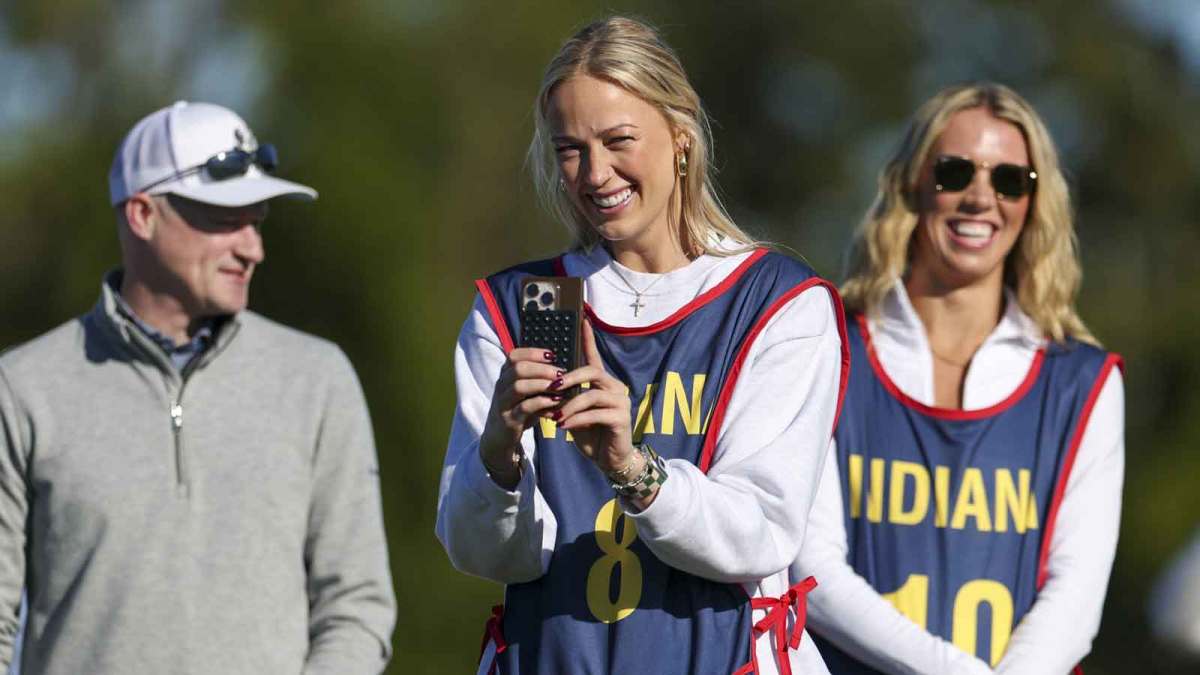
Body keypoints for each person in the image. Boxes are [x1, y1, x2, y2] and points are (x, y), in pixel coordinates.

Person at [436, 16, 848, 675]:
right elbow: (488, 554)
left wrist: (632, 468)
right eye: (569, 148)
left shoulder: (775, 300)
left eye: (618, 140)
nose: (595, 173)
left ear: (680, 137)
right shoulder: (526, 303)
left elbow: (758, 531)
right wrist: (498, 456)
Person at [0, 101, 396, 674]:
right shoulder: (22, 387)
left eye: (255, 221)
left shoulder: (317, 378)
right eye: (224, 219)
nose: (252, 248)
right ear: (142, 214)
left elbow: (355, 606)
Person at [793, 82, 1125, 674]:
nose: (980, 197)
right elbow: (813, 573)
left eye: (1008, 180)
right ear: (912, 184)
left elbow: (1074, 599)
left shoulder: (1084, 383)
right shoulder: (827, 343)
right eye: (954, 172)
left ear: (1034, 202)